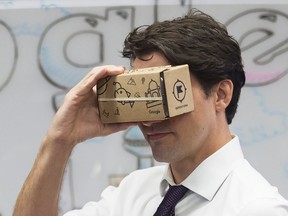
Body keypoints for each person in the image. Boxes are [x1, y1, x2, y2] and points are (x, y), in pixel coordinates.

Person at [13, 9, 288, 216]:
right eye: (141, 96)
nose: (148, 118)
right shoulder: (133, 193)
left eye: (167, 94)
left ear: (220, 95)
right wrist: (59, 141)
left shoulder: (257, 208)